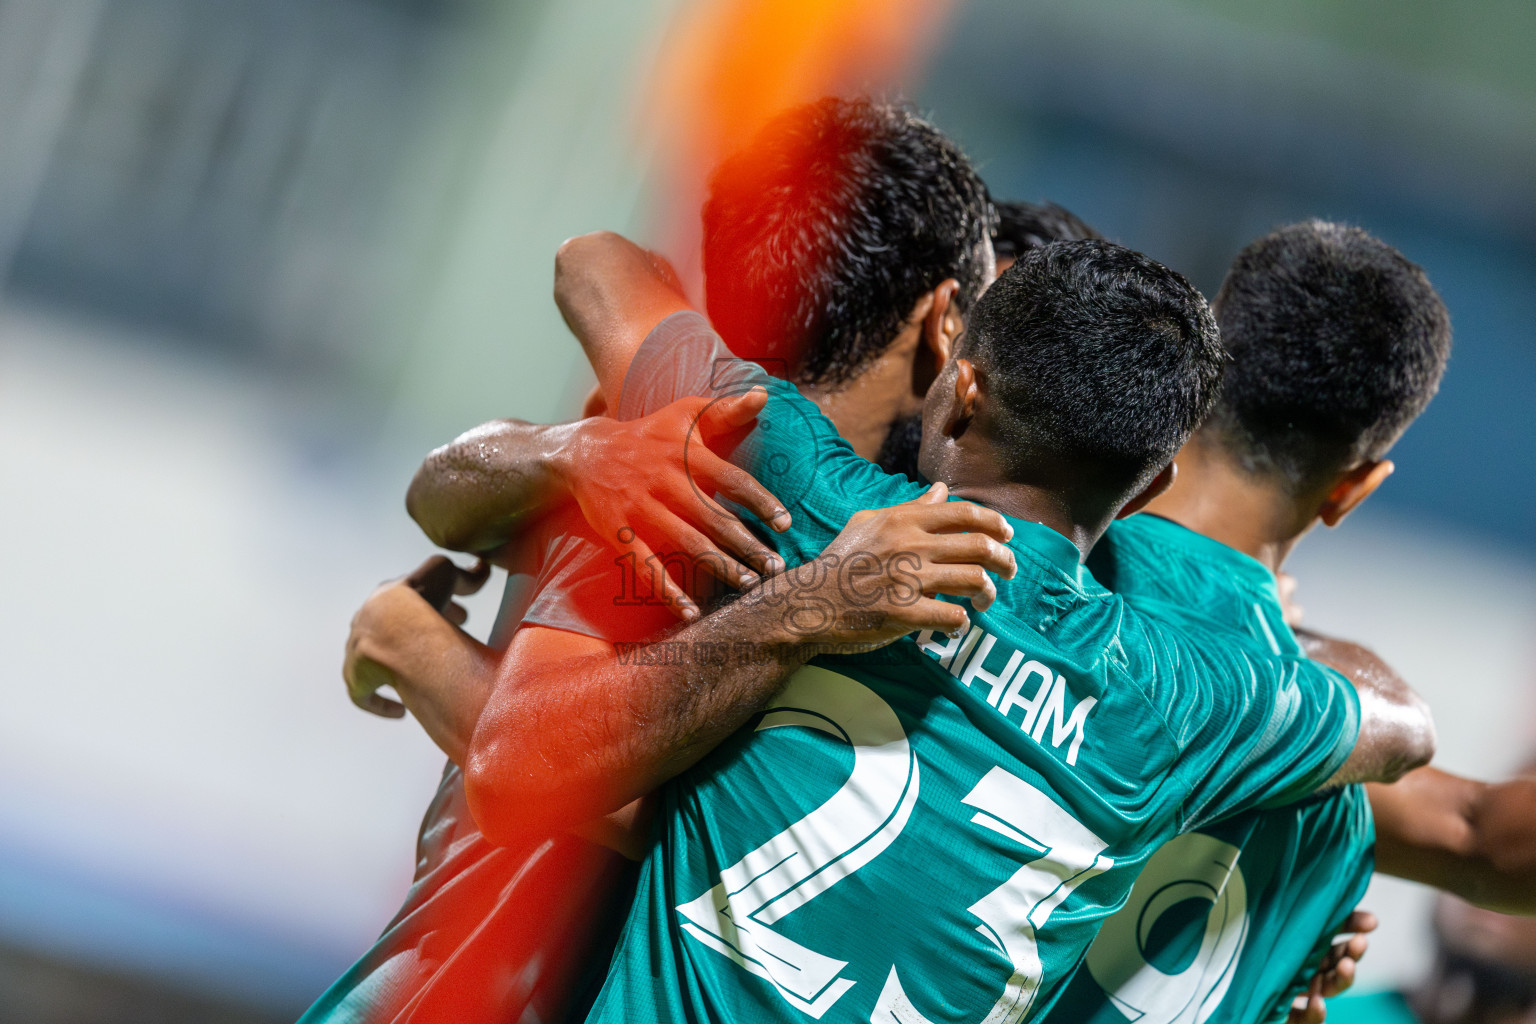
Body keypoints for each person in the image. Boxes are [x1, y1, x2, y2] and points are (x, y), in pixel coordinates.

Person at [489, 232, 1432, 1023]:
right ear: (1150, 487)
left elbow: (594, 264)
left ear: (962, 389)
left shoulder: (809, 493)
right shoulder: (1188, 699)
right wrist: (1297, 649)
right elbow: (1401, 729)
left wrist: (807, 597)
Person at [300, 97, 1006, 1024]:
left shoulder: (682, 439)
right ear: (946, 320)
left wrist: (409, 639)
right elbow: (537, 762)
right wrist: (562, 458)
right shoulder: (683, 458)